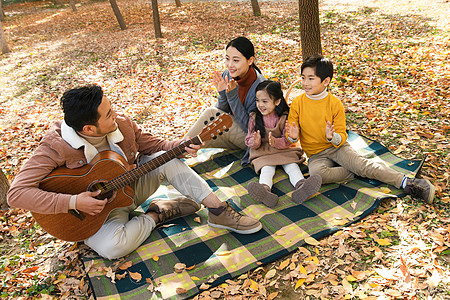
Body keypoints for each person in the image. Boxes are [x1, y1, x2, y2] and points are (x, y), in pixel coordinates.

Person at [7, 85, 262, 260]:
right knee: (113, 248)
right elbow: (16, 194)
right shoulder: (55, 146)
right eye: (108, 115)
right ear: (89, 128)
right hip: (91, 216)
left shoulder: (124, 124)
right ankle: (157, 214)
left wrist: (182, 147)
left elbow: (159, 147)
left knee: (166, 159)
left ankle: (218, 211)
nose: (116, 115)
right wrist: (74, 201)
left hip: (129, 190)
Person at [286, 54, 435, 204]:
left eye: (311, 78)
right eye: (303, 77)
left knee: (363, 166)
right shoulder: (298, 103)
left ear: (325, 81)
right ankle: (354, 172)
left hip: (337, 147)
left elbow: (341, 135)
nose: (305, 83)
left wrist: (332, 137)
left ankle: (407, 182)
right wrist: (293, 137)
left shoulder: (334, 103)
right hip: (316, 154)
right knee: (317, 175)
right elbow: (292, 132)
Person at [185, 36, 266, 165]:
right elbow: (221, 112)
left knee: (210, 112)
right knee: (197, 138)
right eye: (227, 58)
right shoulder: (227, 75)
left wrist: (233, 97)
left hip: (252, 140)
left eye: (236, 60)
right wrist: (223, 95)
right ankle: (176, 151)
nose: (230, 65)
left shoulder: (261, 88)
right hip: (230, 131)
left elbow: (251, 128)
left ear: (250, 60)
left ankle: (178, 149)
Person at [245, 80, 322, 207]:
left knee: (292, 166)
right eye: (257, 100)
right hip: (264, 152)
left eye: (265, 101)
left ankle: (302, 186)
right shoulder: (254, 117)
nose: (260, 105)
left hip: (284, 150)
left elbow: (288, 140)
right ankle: (264, 190)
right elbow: (248, 139)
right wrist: (255, 141)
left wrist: (277, 142)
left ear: (277, 101)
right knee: (267, 169)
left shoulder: (285, 117)